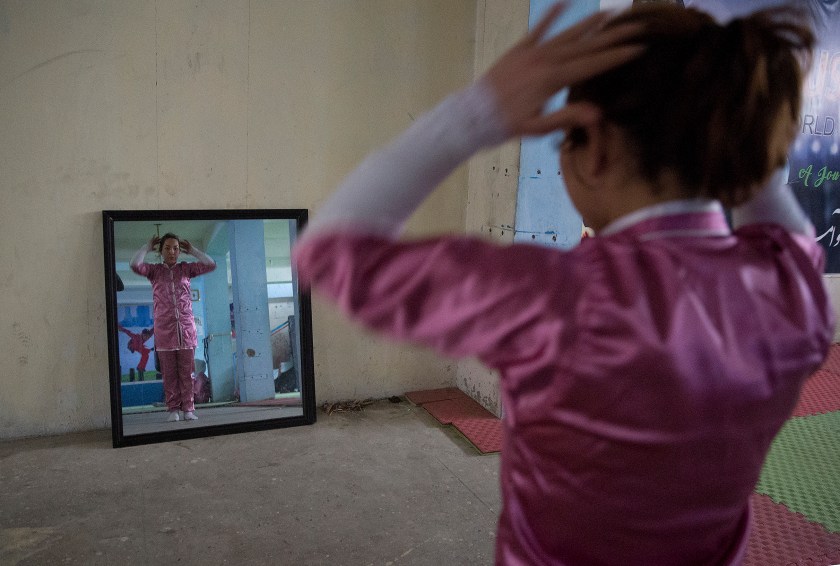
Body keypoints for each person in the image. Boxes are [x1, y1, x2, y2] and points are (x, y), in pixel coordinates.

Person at [292, 3, 835, 565]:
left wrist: (477, 112)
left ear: (594, 146)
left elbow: (329, 254)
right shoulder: (790, 292)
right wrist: (733, 139)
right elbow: (784, 231)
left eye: (563, 141)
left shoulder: (557, 299)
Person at [131, 233, 216, 422]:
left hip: (185, 330)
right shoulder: (154, 272)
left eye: (176, 248)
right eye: (167, 248)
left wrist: (193, 250)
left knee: (187, 373)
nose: (172, 251)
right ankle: (173, 410)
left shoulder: (186, 269)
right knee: (169, 374)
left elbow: (211, 264)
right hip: (164, 331)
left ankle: (188, 409)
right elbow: (135, 265)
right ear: (161, 251)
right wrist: (146, 247)